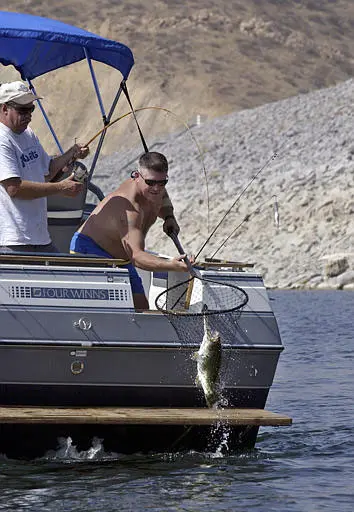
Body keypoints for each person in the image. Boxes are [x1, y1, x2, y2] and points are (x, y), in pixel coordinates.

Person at [70, 151, 190, 310]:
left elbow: (163, 196)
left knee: (142, 309)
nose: (156, 188)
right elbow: (138, 257)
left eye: (162, 183)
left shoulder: (155, 189)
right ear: (136, 176)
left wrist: (169, 216)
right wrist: (171, 265)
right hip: (91, 251)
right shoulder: (130, 209)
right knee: (112, 310)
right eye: (150, 182)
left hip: (122, 256)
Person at [0, 80, 89, 253]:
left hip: (39, 238)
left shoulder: (29, 134)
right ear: (4, 109)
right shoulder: (2, 139)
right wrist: (61, 187)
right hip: (12, 241)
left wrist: (72, 152)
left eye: (31, 109)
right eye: (23, 110)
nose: (29, 115)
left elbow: (47, 169)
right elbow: (14, 188)